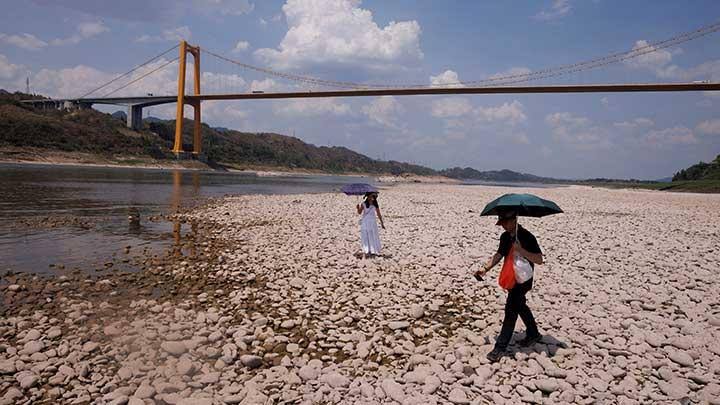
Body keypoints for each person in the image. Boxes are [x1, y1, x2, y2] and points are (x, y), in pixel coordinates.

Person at [475, 210, 544, 362]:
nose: (503, 226)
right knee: (520, 306)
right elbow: (499, 255)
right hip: (511, 277)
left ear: (514, 220)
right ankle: (533, 334)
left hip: (523, 280)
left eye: (505, 222)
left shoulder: (527, 236)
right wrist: (484, 269)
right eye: (501, 223)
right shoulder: (505, 237)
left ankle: (499, 348)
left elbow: (539, 259)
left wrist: (521, 250)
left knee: (511, 310)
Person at [356, 192, 385, 257]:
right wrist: (358, 208)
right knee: (366, 234)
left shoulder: (375, 205)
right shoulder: (363, 204)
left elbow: (379, 214)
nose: (372, 198)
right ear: (368, 196)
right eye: (371, 196)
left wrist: (382, 223)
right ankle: (367, 249)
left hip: (372, 222)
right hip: (365, 221)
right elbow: (359, 212)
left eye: (373, 197)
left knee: (373, 235)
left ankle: (373, 250)